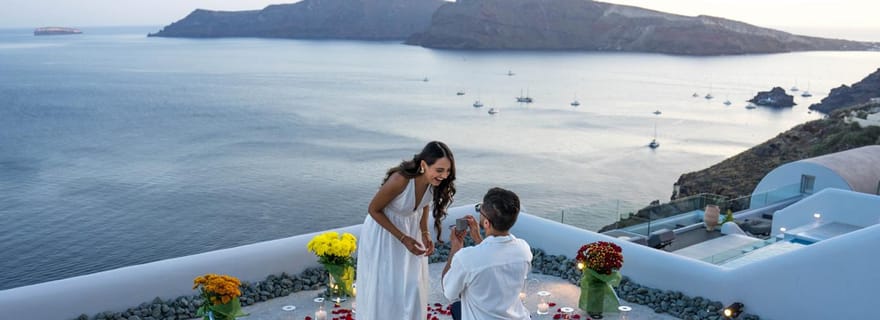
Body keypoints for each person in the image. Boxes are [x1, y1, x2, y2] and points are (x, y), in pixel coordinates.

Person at [356, 141, 456, 320]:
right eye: (440, 170)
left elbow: (423, 206)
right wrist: (403, 238)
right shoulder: (400, 180)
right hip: (384, 234)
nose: (444, 175)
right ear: (424, 165)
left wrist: (425, 233)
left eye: (447, 171)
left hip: (410, 232)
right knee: (386, 289)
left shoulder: (433, 182)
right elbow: (373, 210)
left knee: (412, 286)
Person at [442, 187, 533, 320]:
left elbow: (448, 292)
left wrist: (455, 248)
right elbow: (493, 258)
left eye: (480, 210)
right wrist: (478, 238)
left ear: (486, 222)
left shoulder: (466, 258)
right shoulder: (523, 249)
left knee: (456, 307)